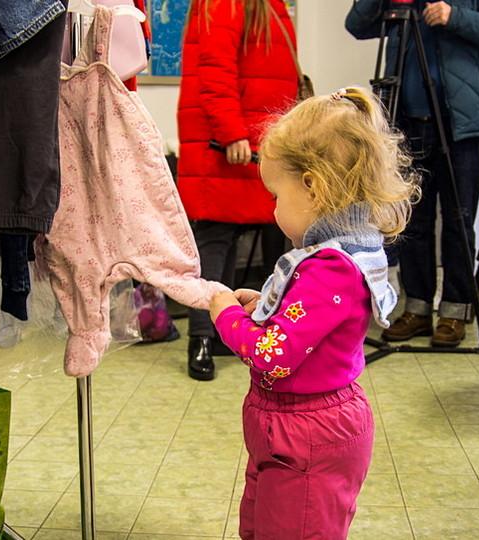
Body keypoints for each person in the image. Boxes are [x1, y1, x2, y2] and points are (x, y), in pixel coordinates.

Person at [208, 87, 415, 539]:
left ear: (312, 188)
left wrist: (226, 316)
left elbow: (272, 355)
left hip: (307, 434)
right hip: (291, 426)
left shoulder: (330, 269)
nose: (274, 209)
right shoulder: (340, 255)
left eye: (276, 196)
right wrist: (263, 304)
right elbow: (307, 319)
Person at [345, 0, 479, 347]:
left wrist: (454, 16)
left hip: (461, 125)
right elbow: (357, 24)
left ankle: (455, 311)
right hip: (406, 120)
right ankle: (417, 309)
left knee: (459, 218)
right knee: (411, 220)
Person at [178, 0, 300, 380]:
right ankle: (201, 337)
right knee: (215, 237)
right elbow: (215, 68)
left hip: (251, 135)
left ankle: (217, 332)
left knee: (225, 237)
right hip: (230, 141)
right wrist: (231, 131)